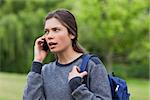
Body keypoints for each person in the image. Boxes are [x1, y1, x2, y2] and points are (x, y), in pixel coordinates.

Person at [23, 9, 112, 100]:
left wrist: (77, 87)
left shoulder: (92, 65)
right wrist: (37, 61)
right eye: (47, 31)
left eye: (56, 30)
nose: (49, 36)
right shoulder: (45, 71)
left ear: (72, 34)